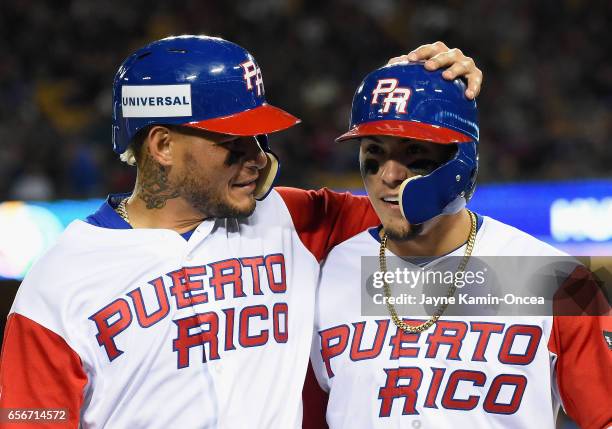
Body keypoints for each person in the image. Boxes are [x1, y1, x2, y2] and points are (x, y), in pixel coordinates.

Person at [0, 36, 483, 428]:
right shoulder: (57, 285)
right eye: (232, 142)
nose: (256, 158)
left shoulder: (297, 221)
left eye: (260, 137)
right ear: (163, 144)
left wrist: (420, 91)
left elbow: (429, 216)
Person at [308, 63, 612, 428]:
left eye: (413, 152)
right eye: (374, 151)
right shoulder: (325, 273)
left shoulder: (557, 280)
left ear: (461, 159)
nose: (389, 176)